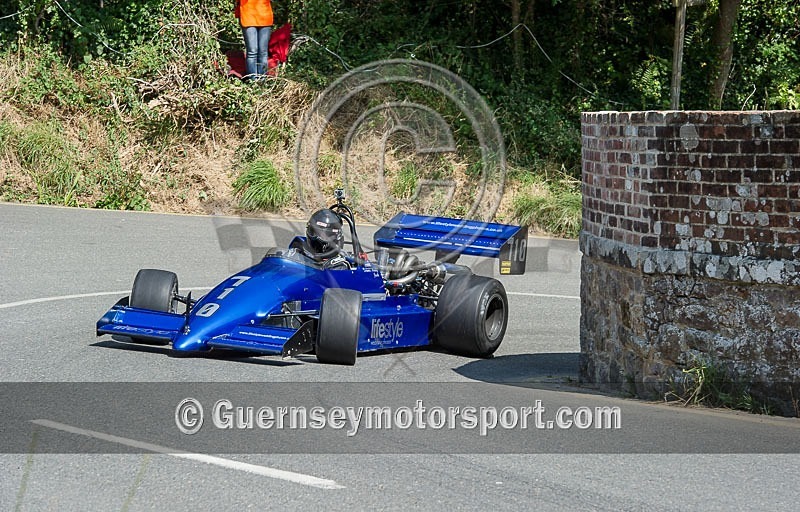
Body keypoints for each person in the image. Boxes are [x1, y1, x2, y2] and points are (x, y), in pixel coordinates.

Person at [234, 0, 273, 79]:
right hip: (248, 16)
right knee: (252, 51)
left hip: (265, 16)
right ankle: (253, 80)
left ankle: (262, 80)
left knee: (263, 52)